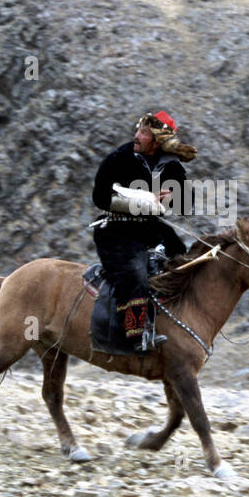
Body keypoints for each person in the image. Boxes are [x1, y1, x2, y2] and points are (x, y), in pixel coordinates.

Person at [90, 111, 196, 353]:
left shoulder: (170, 165)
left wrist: (172, 198)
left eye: (144, 132)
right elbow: (100, 197)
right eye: (139, 130)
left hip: (151, 230)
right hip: (116, 231)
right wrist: (143, 202)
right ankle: (134, 334)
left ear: (158, 140)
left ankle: (178, 325)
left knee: (184, 262)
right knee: (136, 275)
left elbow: (185, 204)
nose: (137, 135)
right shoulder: (121, 157)